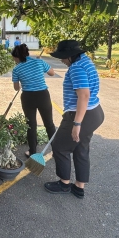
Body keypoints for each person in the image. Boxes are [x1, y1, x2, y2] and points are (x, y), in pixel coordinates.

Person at [45, 40, 104, 199]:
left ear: (71, 56)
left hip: (81, 115)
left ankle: (64, 184)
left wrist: (76, 123)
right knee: (80, 148)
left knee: (60, 146)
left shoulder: (77, 68)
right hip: (94, 113)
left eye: (63, 57)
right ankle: (79, 187)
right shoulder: (86, 61)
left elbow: (84, 95)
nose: (62, 61)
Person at [11, 44, 56, 158]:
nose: (14, 60)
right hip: (43, 96)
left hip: (28, 98)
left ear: (18, 57)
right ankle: (57, 150)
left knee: (31, 125)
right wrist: (41, 63)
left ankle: (32, 151)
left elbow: (17, 88)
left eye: (14, 58)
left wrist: (22, 80)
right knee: (49, 124)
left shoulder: (16, 69)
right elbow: (52, 73)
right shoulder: (38, 62)